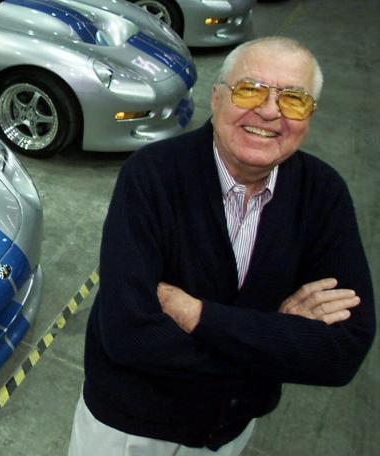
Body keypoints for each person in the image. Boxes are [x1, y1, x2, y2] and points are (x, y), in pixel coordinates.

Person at [68, 37, 375, 455]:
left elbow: (342, 353)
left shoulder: (323, 194)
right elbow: (128, 334)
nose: (269, 111)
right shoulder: (152, 176)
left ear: (310, 115)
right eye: (249, 89)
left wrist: (198, 315)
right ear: (216, 98)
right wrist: (278, 337)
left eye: (294, 99)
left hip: (227, 431)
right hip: (130, 428)